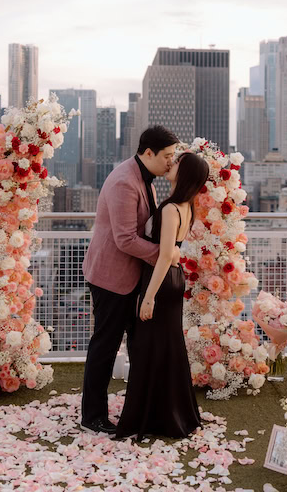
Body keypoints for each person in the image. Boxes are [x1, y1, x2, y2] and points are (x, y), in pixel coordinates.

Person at [80, 125, 180, 435]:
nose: (170, 162)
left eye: (174, 156)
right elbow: (125, 240)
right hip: (111, 277)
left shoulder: (144, 177)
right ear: (148, 153)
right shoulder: (125, 181)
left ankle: (139, 411)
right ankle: (92, 417)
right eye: (166, 156)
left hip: (132, 277)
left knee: (139, 345)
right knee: (105, 347)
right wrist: (167, 255)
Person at [114, 151, 210, 440]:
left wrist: (148, 297)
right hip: (173, 281)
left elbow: (166, 255)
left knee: (148, 348)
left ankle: (152, 416)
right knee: (167, 347)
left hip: (161, 282)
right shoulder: (186, 207)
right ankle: (171, 412)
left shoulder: (170, 209)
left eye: (177, 162)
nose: (171, 164)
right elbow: (173, 252)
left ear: (185, 173)